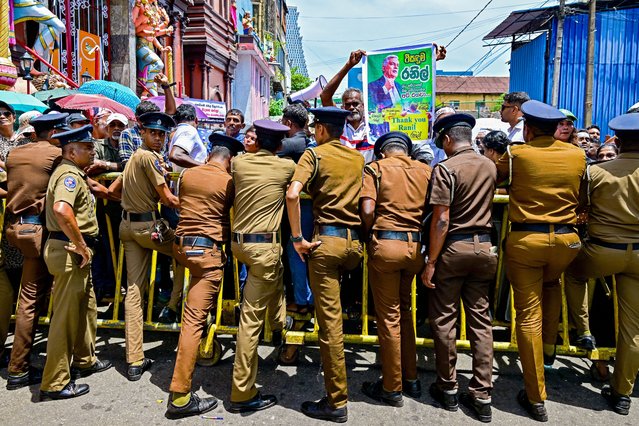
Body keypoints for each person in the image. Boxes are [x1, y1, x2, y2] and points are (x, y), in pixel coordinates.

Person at [496, 100, 586, 422]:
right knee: (552, 283)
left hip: (527, 241)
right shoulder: (578, 155)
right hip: (567, 240)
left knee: (528, 316)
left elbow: (494, 178)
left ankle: (535, 396)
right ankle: (548, 351)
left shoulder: (518, 154)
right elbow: (584, 198)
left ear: (529, 129)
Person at [286, 107, 364, 423]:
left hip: (325, 243)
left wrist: (296, 238)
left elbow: (293, 195)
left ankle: (336, 402)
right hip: (354, 244)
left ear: (319, 130)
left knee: (330, 324)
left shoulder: (313, 155)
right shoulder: (358, 158)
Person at [422, 114, 497, 423]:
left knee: (444, 319)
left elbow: (441, 219)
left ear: (448, 140)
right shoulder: (490, 166)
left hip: (455, 248)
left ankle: (448, 386)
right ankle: (481, 394)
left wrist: (431, 262)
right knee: (481, 322)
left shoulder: (445, 168)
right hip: (486, 248)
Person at [564, 113, 639, 416]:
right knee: (633, 329)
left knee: (572, 273)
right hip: (638, 255)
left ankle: (583, 330)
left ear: (617, 142)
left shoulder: (597, 172)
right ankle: (622, 394)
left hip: (602, 250)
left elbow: (580, 206)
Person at [165, 133, 244, 419]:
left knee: (193, 314)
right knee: (193, 322)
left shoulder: (187, 175)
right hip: (207, 253)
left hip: (182, 248)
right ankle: (181, 395)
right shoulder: (228, 182)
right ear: (230, 159)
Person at [107, 112, 183, 381]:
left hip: (127, 227)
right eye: (154, 133)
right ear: (143, 133)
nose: (159, 137)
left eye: (162, 134)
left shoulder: (131, 160)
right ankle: (173, 305)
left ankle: (135, 359)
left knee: (134, 292)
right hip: (147, 228)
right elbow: (169, 199)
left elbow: (112, 191)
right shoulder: (149, 158)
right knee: (184, 254)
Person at [39, 125, 112, 400]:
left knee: (87, 308)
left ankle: (85, 360)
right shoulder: (68, 174)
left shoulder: (75, 172)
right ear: (71, 151)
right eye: (88, 147)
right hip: (69, 250)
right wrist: (81, 245)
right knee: (66, 319)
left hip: (75, 251)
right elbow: (61, 209)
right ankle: (55, 382)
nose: (93, 151)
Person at [359, 132, 431, 407]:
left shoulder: (375, 168)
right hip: (416, 248)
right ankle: (410, 378)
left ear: (381, 152)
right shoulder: (425, 170)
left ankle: (392, 386)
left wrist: (369, 235)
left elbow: (367, 209)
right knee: (405, 312)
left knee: (388, 318)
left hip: (386, 244)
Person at [228, 120, 294, 413]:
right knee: (250, 322)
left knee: (274, 275)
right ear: (279, 145)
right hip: (264, 246)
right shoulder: (286, 167)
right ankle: (242, 392)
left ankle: (281, 322)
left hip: (239, 244)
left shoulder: (239, 163)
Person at [4, 113, 67, 390]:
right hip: (36, 231)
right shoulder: (55, 155)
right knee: (33, 299)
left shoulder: (16, 154)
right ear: (53, 132)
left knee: (29, 297)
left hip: (13, 229)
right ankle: (19, 368)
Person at [320, 49, 446, 165]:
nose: (352, 108)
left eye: (356, 104)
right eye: (348, 105)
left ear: (364, 106)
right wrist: (348, 65)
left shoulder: (376, 125)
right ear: (342, 107)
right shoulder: (338, 126)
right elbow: (325, 96)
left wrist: (431, 59)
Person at [279, 103, 315, 315]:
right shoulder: (310, 143)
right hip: (310, 206)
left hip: (297, 206)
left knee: (296, 251)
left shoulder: (288, 144)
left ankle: (302, 301)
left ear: (288, 123)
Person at [168, 104, 206, 171]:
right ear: (196, 120)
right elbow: (176, 155)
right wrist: (204, 166)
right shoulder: (189, 130)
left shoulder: (178, 131)